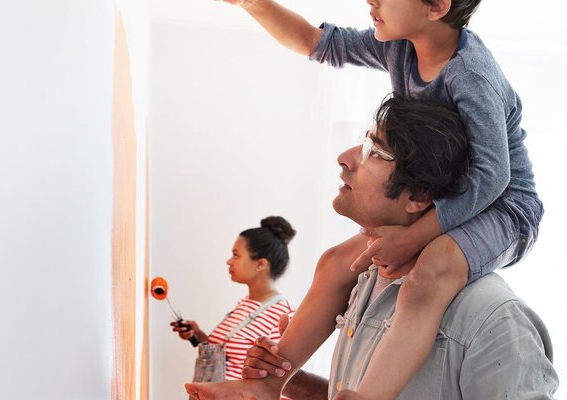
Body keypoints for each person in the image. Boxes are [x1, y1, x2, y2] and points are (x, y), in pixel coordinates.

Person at [209, 0, 544, 397]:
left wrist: (415, 236)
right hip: (448, 199)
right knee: (336, 263)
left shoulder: (472, 76)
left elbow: (493, 177)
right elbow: (313, 41)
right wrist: (252, 3)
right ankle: (267, 384)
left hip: (503, 206)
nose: (371, 1)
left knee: (430, 273)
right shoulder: (398, 47)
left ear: (436, 6)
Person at [170, 216, 299, 383]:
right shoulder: (244, 306)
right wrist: (202, 339)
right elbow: (232, 363)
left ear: (261, 264)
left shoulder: (285, 314)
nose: (229, 261)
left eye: (236, 255)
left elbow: (284, 381)